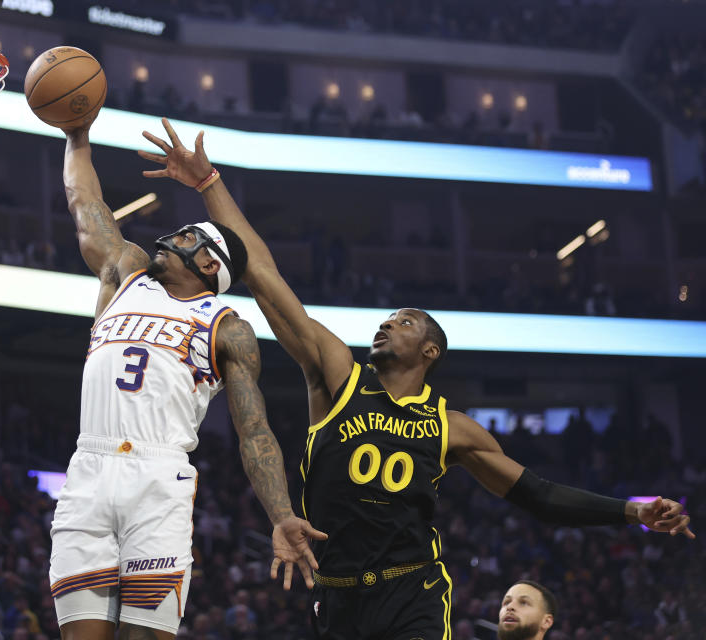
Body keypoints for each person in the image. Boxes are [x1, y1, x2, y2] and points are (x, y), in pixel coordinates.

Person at [138, 118, 695, 640]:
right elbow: (262, 274)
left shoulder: (452, 429)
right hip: (337, 596)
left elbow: (539, 495)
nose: (386, 323)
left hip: (414, 593)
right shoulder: (338, 377)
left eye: (403, 321)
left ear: (429, 350)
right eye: (386, 318)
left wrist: (633, 511)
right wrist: (209, 183)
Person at [49, 123, 324, 640]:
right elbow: (85, 206)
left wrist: (282, 514)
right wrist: (76, 136)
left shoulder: (229, 328)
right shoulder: (124, 274)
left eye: (183, 237)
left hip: (158, 478)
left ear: (206, 260)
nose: (164, 238)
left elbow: (255, 430)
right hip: (89, 468)